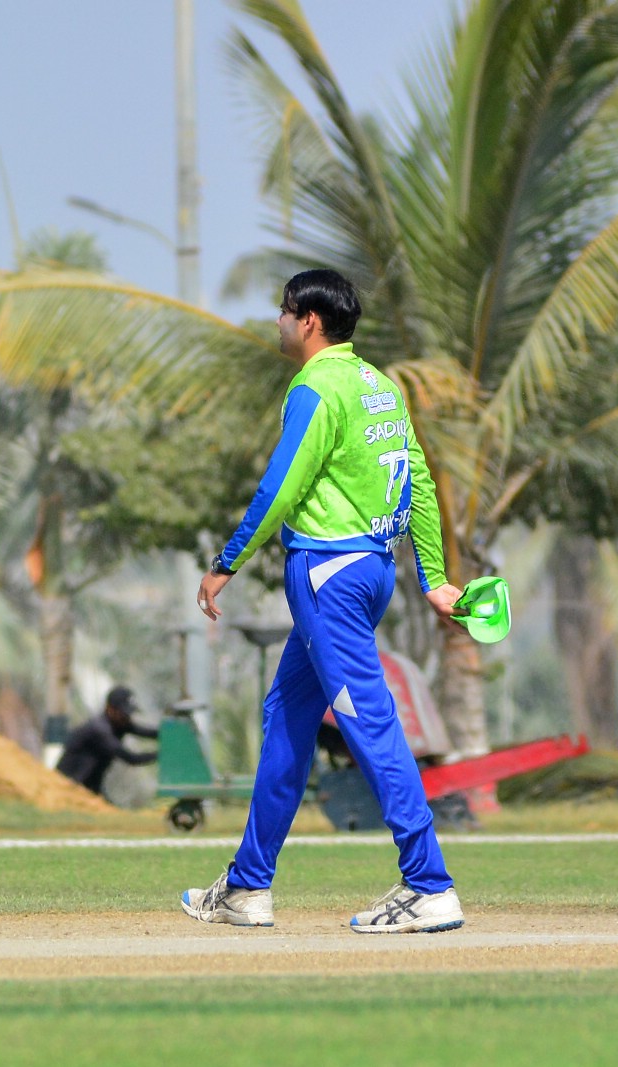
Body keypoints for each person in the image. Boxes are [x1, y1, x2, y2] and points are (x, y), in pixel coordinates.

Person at [180, 268, 468, 934]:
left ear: (309, 320)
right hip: (371, 570)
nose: (278, 321)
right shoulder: (379, 385)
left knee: (369, 721)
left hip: (326, 575)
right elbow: (419, 481)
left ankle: (429, 884)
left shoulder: (315, 386)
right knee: (287, 716)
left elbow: (281, 485)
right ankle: (248, 885)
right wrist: (432, 577)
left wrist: (226, 561)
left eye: (285, 310)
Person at [55, 686, 158, 797]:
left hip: (89, 787)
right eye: (123, 713)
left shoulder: (119, 723)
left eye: (129, 714)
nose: (127, 718)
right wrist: (164, 754)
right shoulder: (100, 730)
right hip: (68, 786)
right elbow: (131, 758)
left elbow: (149, 733)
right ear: (110, 709)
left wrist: (170, 732)